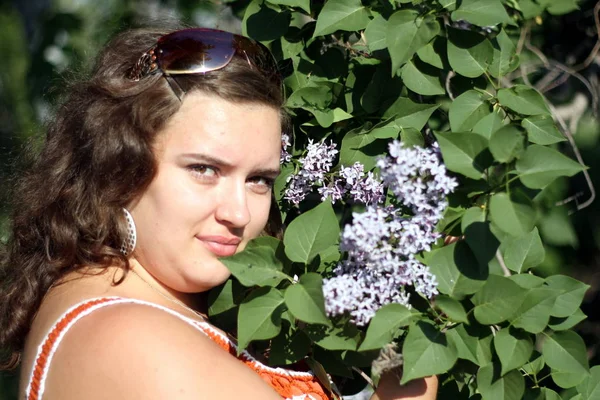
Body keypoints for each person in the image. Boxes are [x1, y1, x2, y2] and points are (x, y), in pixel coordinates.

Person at [0, 24, 438, 400]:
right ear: (120, 167)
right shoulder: (131, 337)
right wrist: (418, 375)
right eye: (204, 169)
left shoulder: (125, 297)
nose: (239, 213)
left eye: (259, 180)